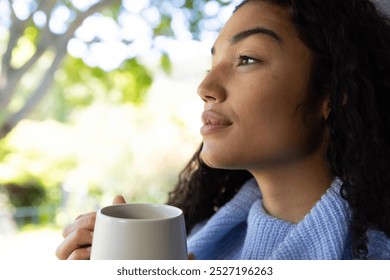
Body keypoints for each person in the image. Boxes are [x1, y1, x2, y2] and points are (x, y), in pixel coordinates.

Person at [56, 0, 390, 260]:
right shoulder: (194, 241)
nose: (205, 86)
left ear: (332, 93)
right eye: (212, 63)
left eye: (246, 59)